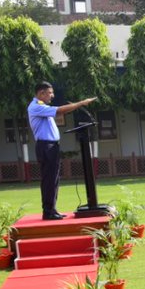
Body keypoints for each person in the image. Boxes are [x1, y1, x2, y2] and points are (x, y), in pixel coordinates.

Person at [27, 82, 95, 220]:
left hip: (51, 146)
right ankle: (48, 212)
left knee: (54, 179)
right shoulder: (36, 107)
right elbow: (60, 111)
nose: (52, 96)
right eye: (50, 93)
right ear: (41, 93)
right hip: (46, 146)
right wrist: (81, 103)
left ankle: (52, 209)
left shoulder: (43, 107)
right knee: (49, 180)